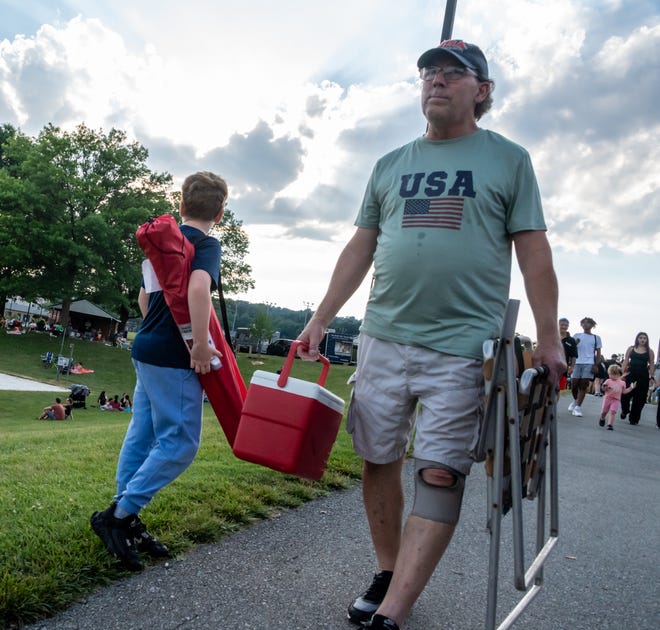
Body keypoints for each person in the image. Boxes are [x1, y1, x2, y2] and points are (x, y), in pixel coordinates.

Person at [296, 39, 565, 630]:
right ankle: (390, 571)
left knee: (440, 470)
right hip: (385, 336)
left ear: (482, 90)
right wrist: (319, 318)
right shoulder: (390, 165)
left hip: (465, 348)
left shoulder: (509, 159)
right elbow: (361, 245)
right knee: (377, 458)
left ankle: (395, 609)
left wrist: (548, 339)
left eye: (451, 73)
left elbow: (534, 252)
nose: (435, 81)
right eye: (427, 74)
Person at [90, 171, 227, 571]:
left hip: (145, 348)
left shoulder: (162, 242)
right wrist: (199, 344)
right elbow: (199, 289)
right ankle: (117, 517)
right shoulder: (206, 244)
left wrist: (156, 328)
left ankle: (125, 517)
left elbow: (144, 297)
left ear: (181, 206)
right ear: (219, 212)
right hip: (173, 357)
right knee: (181, 443)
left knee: (143, 433)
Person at [568, 317, 602, 417]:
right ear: (581, 325)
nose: (585, 325)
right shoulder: (576, 336)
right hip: (577, 362)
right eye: (583, 323)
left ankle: (578, 407)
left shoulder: (596, 338)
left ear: (592, 325)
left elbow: (598, 352)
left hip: (589, 363)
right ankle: (575, 400)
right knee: (574, 384)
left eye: (588, 323)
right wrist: (575, 343)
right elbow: (570, 349)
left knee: (583, 384)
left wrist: (596, 364)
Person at [620, 332, 655, 425]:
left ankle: (634, 418)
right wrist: (622, 373)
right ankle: (625, 410)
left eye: (644, 338)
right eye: (640, 338)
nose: (642, 340)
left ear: (647, 340)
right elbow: (626, 360)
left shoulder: (649, 351)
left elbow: (651, 364)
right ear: (637, 339)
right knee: (625, 394)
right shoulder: (631, 349)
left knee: (640, 398)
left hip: (642, 376)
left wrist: (651, 377)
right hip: (631, 374)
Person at [599, 364, 636, 430]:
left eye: (614, 374)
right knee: (604, 411)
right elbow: (603, 388)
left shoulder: (622, 383)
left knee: (613, 411)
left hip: (616, 400)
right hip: (608, 398)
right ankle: (602, 418)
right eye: (611, 374)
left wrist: (631, 388)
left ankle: (610, 424)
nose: (612, 376)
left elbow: (624, 391)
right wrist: (605, 387)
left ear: (619, 374)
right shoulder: (608, 381)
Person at [559, 318, 577, 391]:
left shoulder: (571, 340)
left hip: (563, 368)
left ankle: (556, 402)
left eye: (566, 325)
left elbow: (574, 355)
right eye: (562, 324)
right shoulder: (552, 336)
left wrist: (572, 367)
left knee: (559, 390)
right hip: (550, 366)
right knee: (547, 388)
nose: (564, 327)